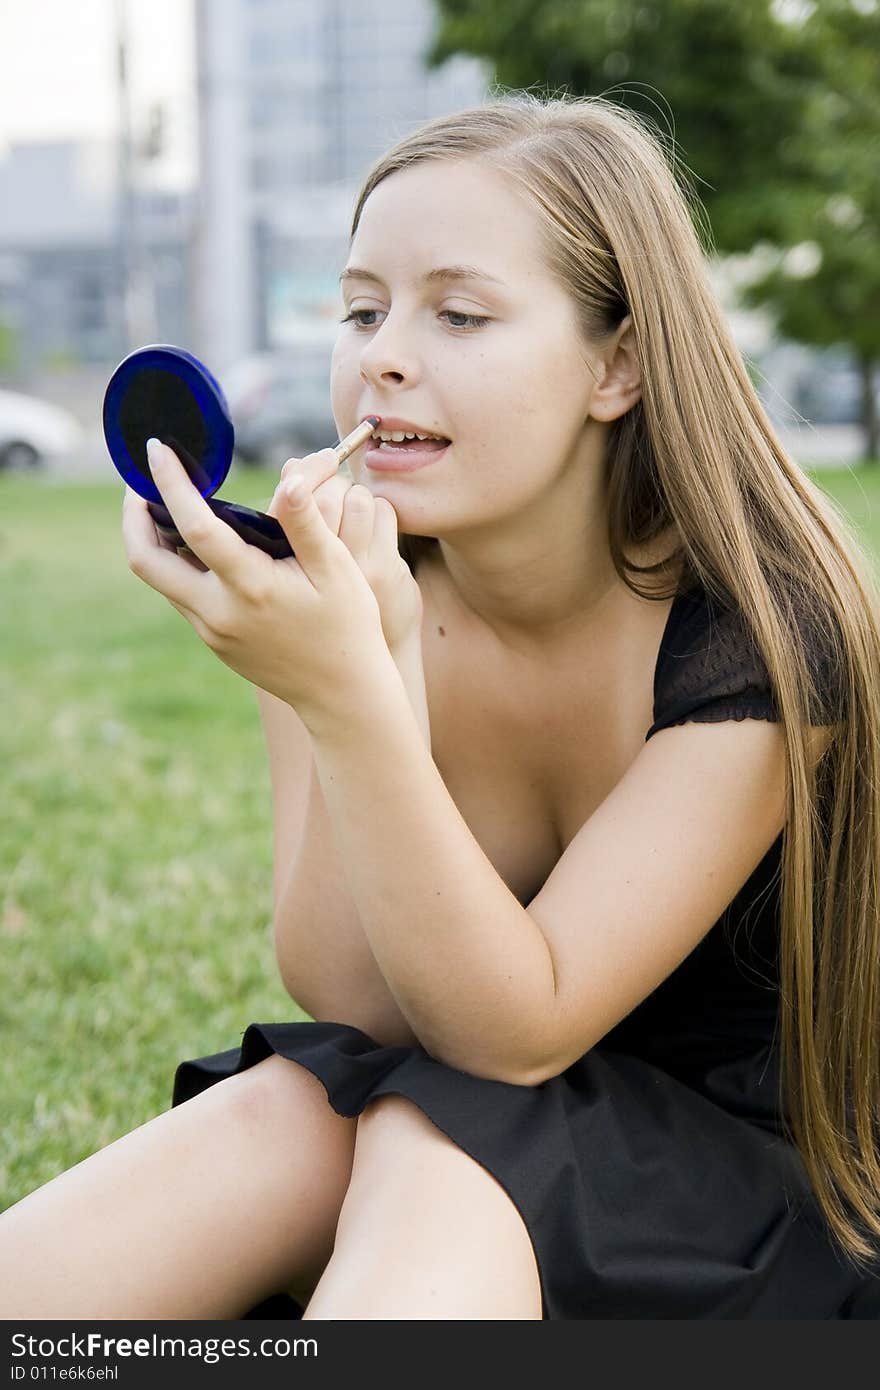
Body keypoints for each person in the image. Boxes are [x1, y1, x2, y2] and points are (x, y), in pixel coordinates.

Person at [2, 90, 879, 1322]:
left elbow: (518, 1034)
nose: (383, 353)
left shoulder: (769, 634)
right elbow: (351, 996)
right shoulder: (354, 580)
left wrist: (352, 698)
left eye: (458, 313)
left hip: (763, 1193)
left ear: (616, 364)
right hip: (465, 1119)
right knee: (293, 1107)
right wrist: (360, 667)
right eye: (361, 308)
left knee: (430, 1130)